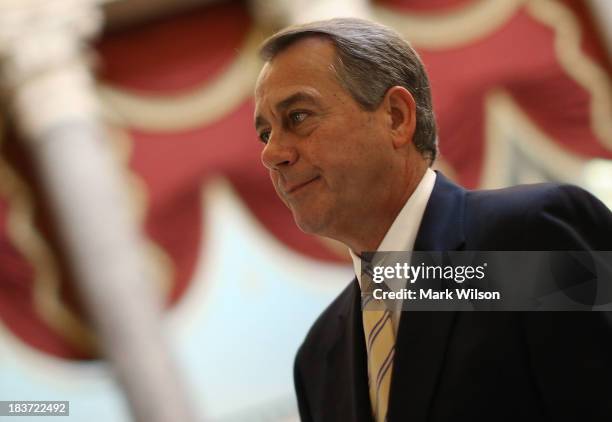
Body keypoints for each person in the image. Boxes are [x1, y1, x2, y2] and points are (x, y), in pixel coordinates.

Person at [253, 18, 612, 422]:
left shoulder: (524, 238)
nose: (272, 154)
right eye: (265, 134)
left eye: (298, 117)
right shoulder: (319, 355)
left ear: (396, 117)